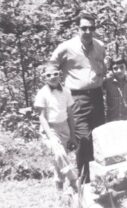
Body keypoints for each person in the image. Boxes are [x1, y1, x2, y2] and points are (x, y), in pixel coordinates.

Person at [50, 12, 106, 183]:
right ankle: (84, 180)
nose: (88, 31)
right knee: (83, 138)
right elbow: (51, 66)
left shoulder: (100, 46)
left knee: (98, 136)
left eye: (91, 28)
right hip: (76, 98)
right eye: (84, 28)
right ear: (77, 29)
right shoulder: (66, 47)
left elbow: (102, 67)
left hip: (96, 96)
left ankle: (100, 177)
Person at [34, 63, 78, 192]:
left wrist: (73, 136)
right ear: (44, 78)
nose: (52, 77)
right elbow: (41, 117)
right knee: (59, 154)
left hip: (64, 127)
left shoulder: (66, 91)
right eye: (48, 75)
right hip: (50, 128)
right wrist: (50, 135)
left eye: (55, 74)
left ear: (60, 75)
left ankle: (59, 189)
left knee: (59, 160)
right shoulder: (42, 93)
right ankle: (73, 179)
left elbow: (70, 114)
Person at [103, 55, 127, 122]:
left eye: (122, 67)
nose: (119, 70)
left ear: (126, 68)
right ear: (112, 70)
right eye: (115, 68)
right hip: (112, 120)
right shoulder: (107, 82)